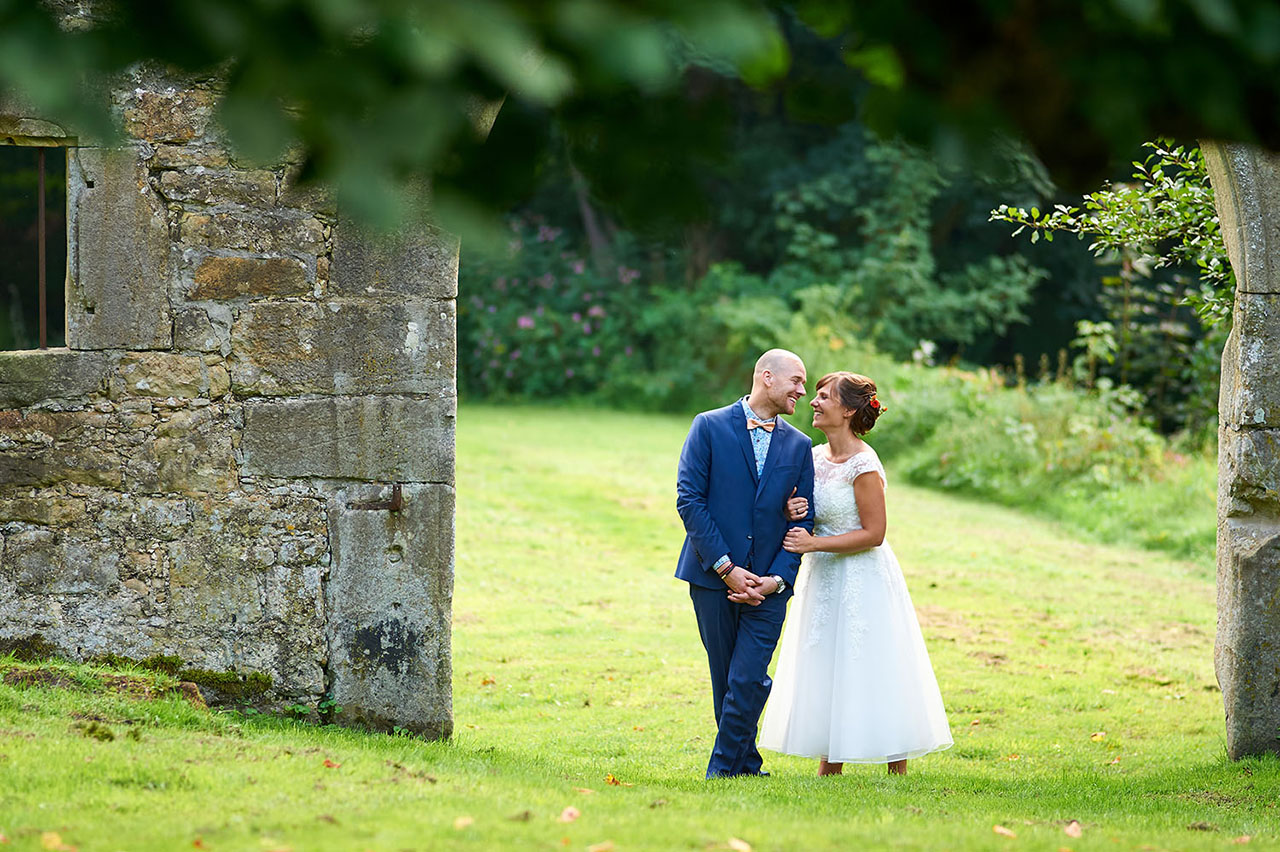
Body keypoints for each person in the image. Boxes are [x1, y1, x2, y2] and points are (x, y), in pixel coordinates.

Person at [758, 371, 951, 775]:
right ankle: (830, 767)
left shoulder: (863, 463)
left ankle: (896, 765)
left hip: (862, 575)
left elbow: (874, 534)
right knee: (829, 663)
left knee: (872, 663)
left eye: (824, 396)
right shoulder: (811, 457)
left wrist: (813, 544)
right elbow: (808, 512)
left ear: (847, 410)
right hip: (824, 578)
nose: (813, 401)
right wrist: (795, 513)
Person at [675, 349, 816, 778]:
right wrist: (726, 567)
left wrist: (775, 579)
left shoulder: (800, 444)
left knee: (749, 677)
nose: (802, 390)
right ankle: (747, 764)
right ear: (767, 377)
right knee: (728, 678)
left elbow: (805, 518)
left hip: (770, 585)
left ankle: (721, 770)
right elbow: (690, 500)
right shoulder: (708, 426)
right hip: (712, 578)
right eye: (796, 380)